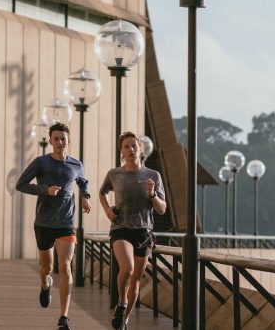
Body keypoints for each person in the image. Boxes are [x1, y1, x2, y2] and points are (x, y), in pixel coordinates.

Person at [16, 122, 91, 330]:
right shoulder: (41, 162)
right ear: (50, 141)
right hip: (44, 222)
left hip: (66, 222)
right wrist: (45, 190)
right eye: (56, 139)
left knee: (65, 265)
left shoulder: (76, 164)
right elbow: (20, 185)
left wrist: (85, 196)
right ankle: (44, 284)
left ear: (69, 140)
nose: (60, 142)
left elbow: (83, 181)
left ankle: (64, 317)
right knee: (46, 268)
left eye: (63, 138)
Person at [99, 131, 167, 330]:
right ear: (122, 151)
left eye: (134, 145)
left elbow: (162, 209)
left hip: (144, 232)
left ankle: (124, 319)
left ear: (140, 148)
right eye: (126, 146)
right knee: (127, 269)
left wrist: (152, 194)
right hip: (121, 229)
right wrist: (108, 210)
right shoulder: (115, 174)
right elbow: (102, 192)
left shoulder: (153, 175)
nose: (131, 149)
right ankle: (121, 303)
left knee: (136, 280)